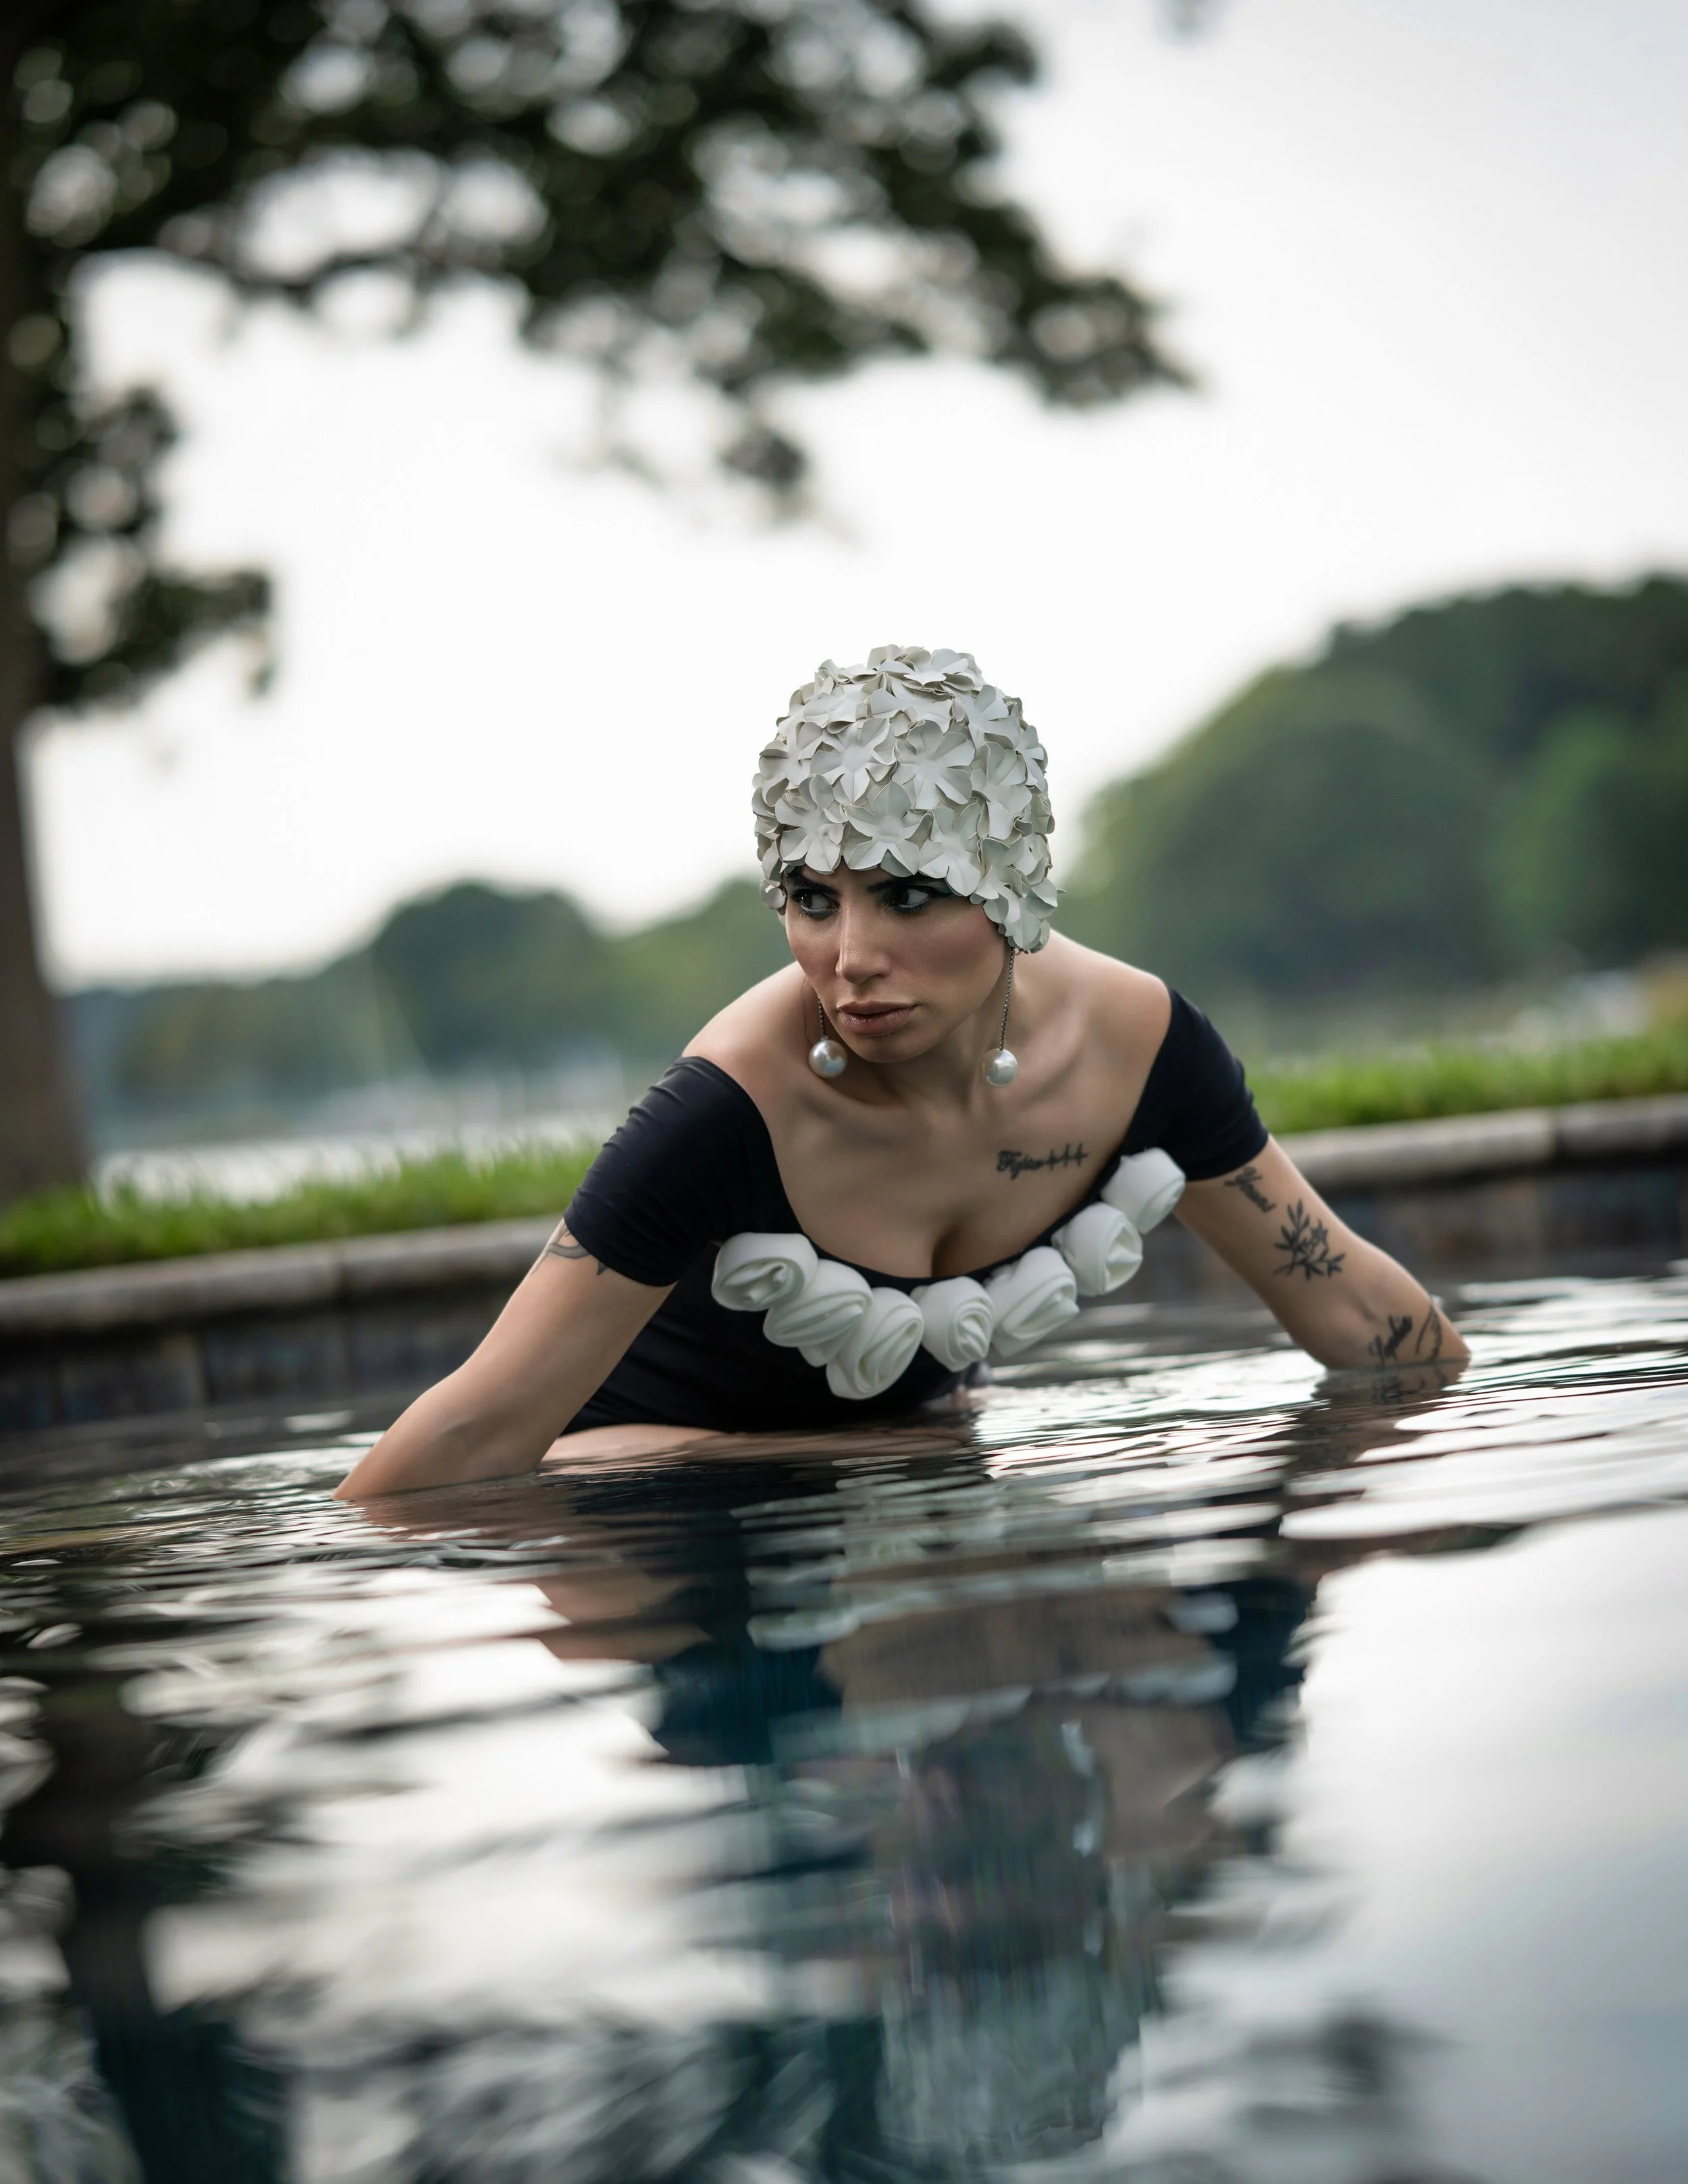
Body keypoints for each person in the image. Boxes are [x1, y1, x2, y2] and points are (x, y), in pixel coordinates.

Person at [338, 646, 1465, 1499]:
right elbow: (476, 1437)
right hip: (654, 1523)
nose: (853, 958)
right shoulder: (726, 1113)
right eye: (813, 901)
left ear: (1012, 886)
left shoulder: (1140, 1050)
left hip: (929, 1513)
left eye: (908, 893)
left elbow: (1368, 1319)